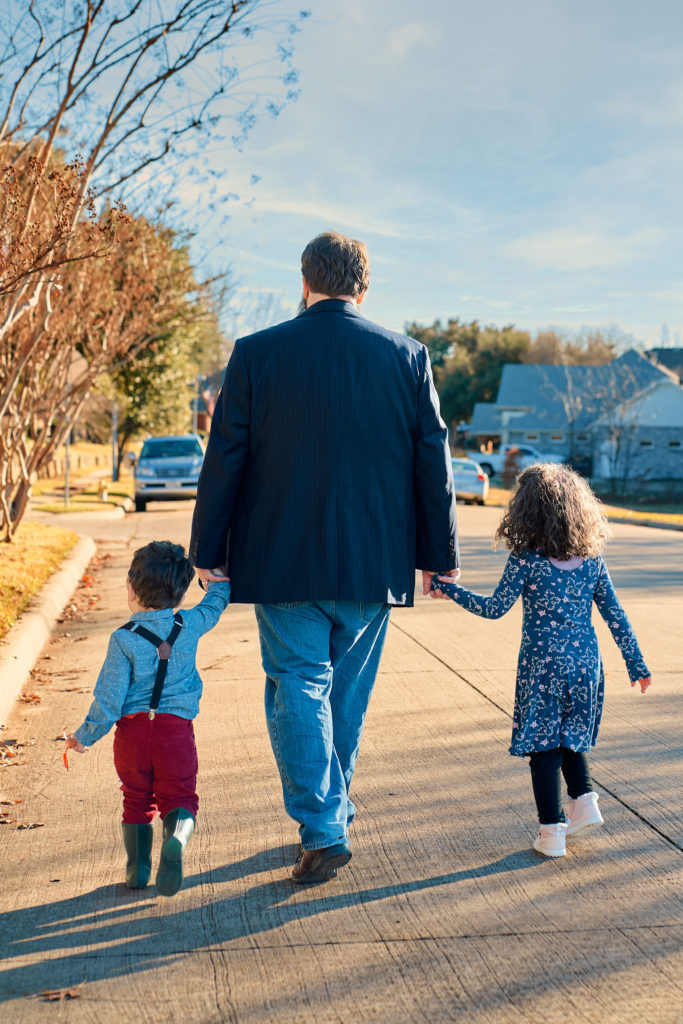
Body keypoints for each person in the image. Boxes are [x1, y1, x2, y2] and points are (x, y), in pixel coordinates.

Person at [191, 231, 459, 883]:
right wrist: (438, 554)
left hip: (280, 558)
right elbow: (433, 457)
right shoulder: (407, 356)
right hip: (373, 562)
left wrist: (208, 549)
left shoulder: (257, 354)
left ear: (304, 281)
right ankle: (329, 817)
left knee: (297, 689)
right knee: (342, 696)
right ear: (363, 289)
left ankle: (323, 825)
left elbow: (223, 457)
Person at [433, 463, 651, 859]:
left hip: (543, 666)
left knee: (543, 746)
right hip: (586, 665)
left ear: (525, 512)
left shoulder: (526, 560)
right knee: (570, 734)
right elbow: (616, 616)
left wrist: (453, 591)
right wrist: (637, 666)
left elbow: (495, 608)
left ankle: (551, 832)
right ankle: (584, 801)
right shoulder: (592, 561)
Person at [65, 541, 230, 895]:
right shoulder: (190, 623)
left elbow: (108, 699)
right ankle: (177, 842)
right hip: (175, 734)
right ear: (181, 596)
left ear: (130, 588)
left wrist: (85, 735)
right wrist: (218, 581)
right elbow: (215, 606)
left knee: (136, 798)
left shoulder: (122, 639)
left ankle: (137, 870)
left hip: (132, 736)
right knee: (180, 798)